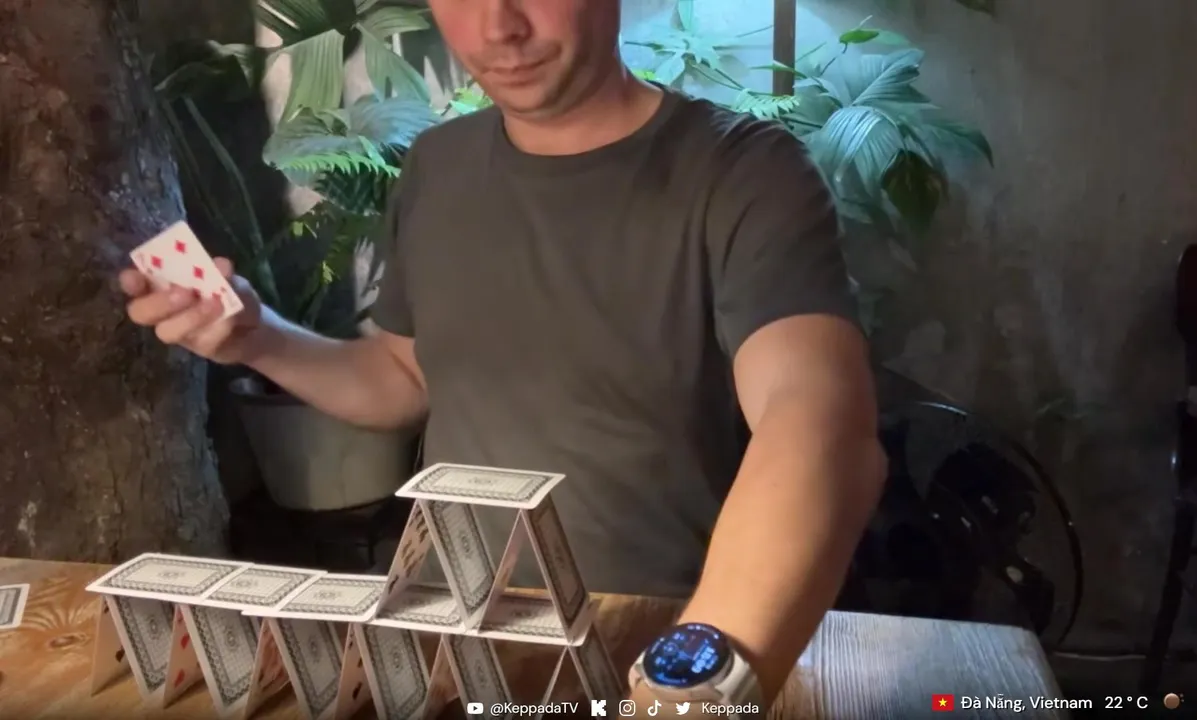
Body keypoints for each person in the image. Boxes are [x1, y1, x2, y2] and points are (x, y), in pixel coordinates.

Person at [121, 0, 886, 712]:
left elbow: (817, 425)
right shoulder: (437, 165)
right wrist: (256, 336)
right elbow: (403, 376)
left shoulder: (747, 172)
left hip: (650, 637)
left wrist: (687, 689)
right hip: (443, 640)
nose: (498, 28)